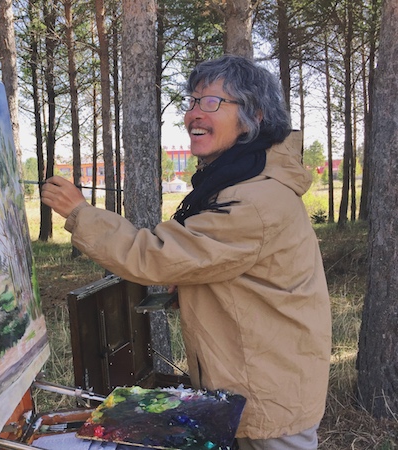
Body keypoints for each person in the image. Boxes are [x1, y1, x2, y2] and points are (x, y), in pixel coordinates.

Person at [41, 55, 331, 450]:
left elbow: (156, 256)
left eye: (211, 102)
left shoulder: (255, 200)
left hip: (269, 395)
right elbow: (224, 268)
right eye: (192, 102)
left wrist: (80, 213)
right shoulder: (239, 182)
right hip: (257, 379)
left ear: (254, 116)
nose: (194, 113)